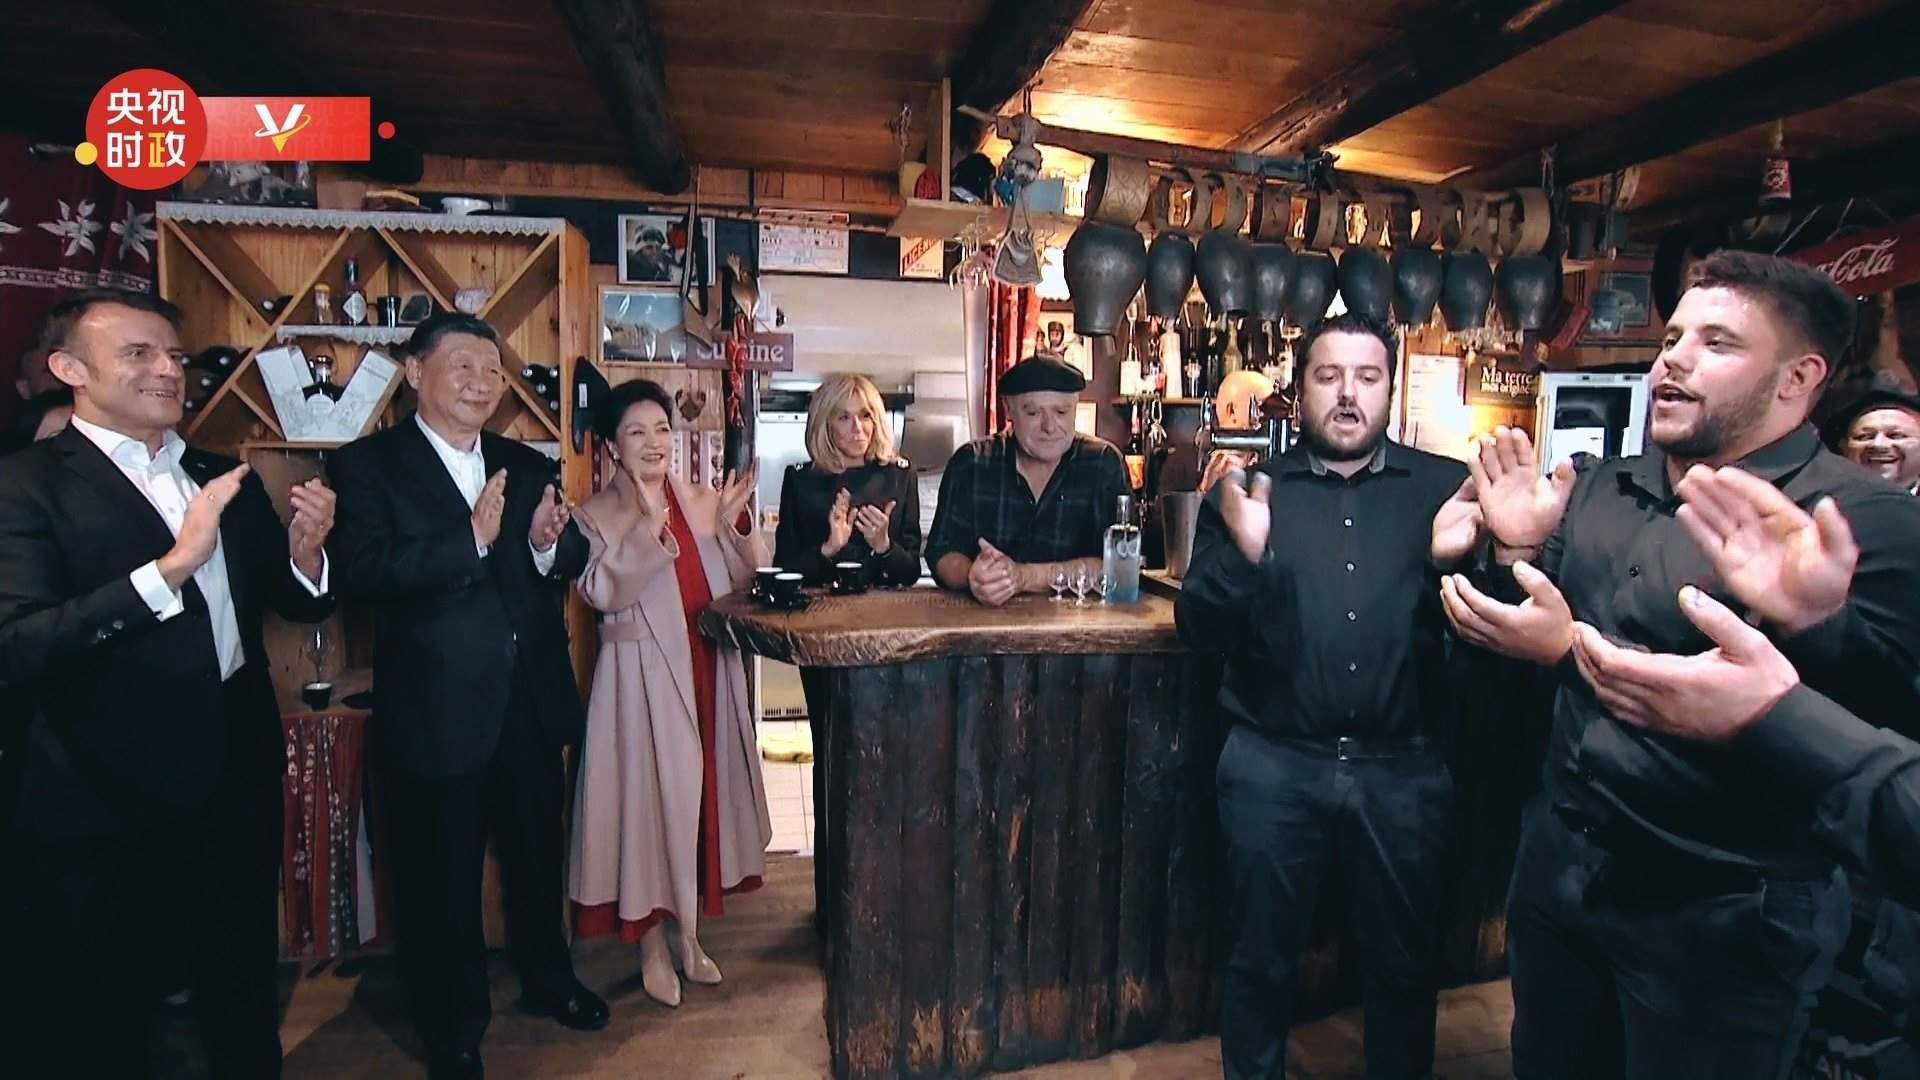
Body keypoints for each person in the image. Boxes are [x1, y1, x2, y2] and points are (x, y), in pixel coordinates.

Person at [1435, 250, 1920, 1078]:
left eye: (1716, 343)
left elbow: (1890, 718)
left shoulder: (1861, 518)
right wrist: (1510, 551)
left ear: (1799, 379)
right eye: (1673, 338)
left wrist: (1821, 625)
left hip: (1725, 909)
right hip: (1563, 870)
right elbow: (1526, 641)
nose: (1674, 360)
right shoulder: (1600, 487)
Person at [0, 288, 335, 1079]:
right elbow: (20, 643)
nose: (167, 370)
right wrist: (170, 569)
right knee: (106, 993)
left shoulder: (220, 475)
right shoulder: (26, 484)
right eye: (138, 354)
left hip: (234, 764)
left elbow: (290, 602)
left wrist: (308, 553)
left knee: (240, 969)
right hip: (102, 784)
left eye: (174, 356)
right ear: (70, 369)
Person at [1176, 312, 1470, 1080]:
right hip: (1272, 766)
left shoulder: (1444, 490)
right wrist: (1242, 556)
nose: (1347, 394)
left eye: (1367, 377)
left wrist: (1483, 557)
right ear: (1299, 388)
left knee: (1403, 968)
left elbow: (1495, 626)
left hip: (1403, 772)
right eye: (1328, 376)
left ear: (1389, 388)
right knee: (1259, 960)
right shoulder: (1246, 493)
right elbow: (1197, 627)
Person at [328, 312, 606, 1080]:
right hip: (435, 710)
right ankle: (453, 1028)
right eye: (463, 367)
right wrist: (471, 540)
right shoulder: (367, 466)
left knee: (536, 856)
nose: (482, 383)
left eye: (492, 370)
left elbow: (567, 554)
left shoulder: (523, 459)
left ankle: (550, 980)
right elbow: (360, 574)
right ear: (415, 372)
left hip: (528, 701)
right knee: (441, 878)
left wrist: (547, 542)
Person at [1560, 466, 1920, 907]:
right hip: (1565, 860)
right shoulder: (1604, 482)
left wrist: (1808, 649)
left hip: (1738, 903)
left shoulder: (1879, 514)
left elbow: (1890, 721)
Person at [566, 378, 772, 1009]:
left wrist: (738, 527)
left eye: (662, 429)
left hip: (707, 667)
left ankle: (690, 936)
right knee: (646, 813)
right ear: (612, 446)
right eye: (637, 432)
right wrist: (647, 531)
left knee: (698, 809)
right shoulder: (594, 515)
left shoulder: (703, 500)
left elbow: (749, 578)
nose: (654, 442)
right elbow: (600, 593)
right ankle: (652, 947)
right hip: (638, 682)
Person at [925, 354, 1127, 606]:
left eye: (1061, 412)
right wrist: (973, 576)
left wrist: (1022, 577)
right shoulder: (970, 463)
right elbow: (941, 552)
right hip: (984, 624)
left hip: (1082, 625)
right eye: (1033, 413)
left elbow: (1119, 566)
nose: (1050, 426)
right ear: (1009, 410)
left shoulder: (1103, 463)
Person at [772, 372, 922, 587]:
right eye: (844, 418)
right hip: (818, 605)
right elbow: (783, 570)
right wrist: (829, 548)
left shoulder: (900, 477)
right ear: (825, 425)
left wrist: (884, 547)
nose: (857, 428)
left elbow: (911, 572)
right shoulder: (800, 481)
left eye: (865, 416)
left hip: (883, 605)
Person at [1823, 377, 1920, 494]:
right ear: (1843, 447)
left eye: (1895, 435)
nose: (1878, 444)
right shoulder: (1818, 498)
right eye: (1864, 437)